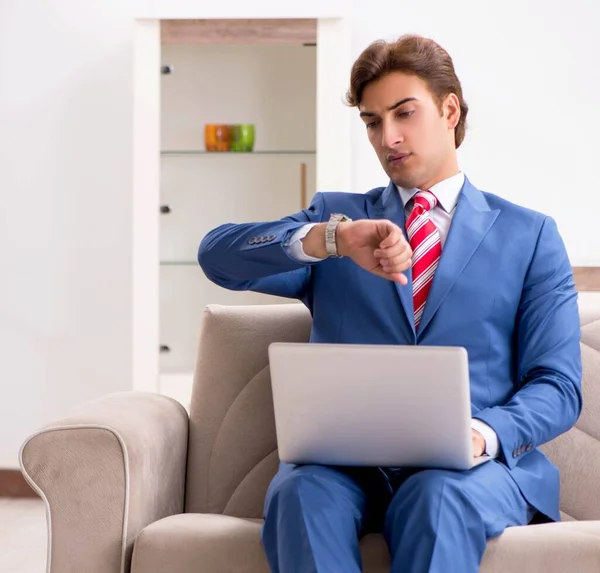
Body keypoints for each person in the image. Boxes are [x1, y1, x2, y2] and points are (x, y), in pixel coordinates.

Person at [198, 34, 582, 573]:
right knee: (300, 496)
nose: (389, 137)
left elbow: (558, 385)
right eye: (373, 122)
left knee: (437, 499)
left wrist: (483, 433)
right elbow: (218, 257)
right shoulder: (338, 219)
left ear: (450, 110)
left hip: (467, 471)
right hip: (344, 467)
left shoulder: (530, 235)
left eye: (405, 113)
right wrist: (332, 240)